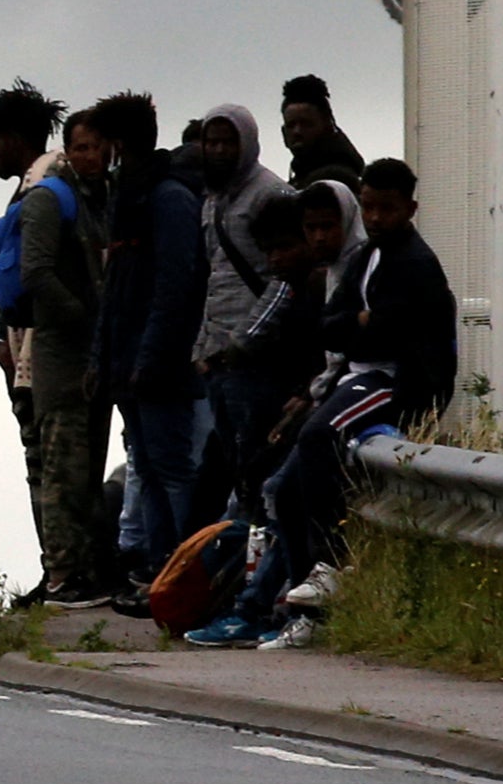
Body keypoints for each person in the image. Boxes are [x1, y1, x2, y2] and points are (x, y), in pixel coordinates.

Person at [192, 157, 456, 648]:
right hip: (357, 375)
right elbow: (332, 325)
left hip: (394, 382)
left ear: (410, 209)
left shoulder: (413, 263)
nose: (377, 218)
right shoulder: (362, 260)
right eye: (370, 207)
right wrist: (356, 323)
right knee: (284, 490)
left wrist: (361, 326)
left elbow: (385, 335)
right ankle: (301, 606)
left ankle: (331, 562)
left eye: (387, 209)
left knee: (319, 437)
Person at [0, 84, 109, 604]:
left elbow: (37, 275)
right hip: (32, 351)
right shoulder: (49, 187)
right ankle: (59, 572)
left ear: (16, 138)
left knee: (57, 467)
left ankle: (66, 574)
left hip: (49, 356)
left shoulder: (47, 190)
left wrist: (77, 323)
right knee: (50, 466)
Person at [85, 92, 201, 609]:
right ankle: (160, 577)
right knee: (149, 469)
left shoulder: (167, 198)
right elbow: (116, 287)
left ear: (119, 143)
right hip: (131, 364)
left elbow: (175, 289)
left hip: (159, 367)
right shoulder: (128, 196)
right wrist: (101, 360)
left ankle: (186, 577)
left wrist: (148, 360)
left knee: (171, 470)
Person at [189, 184, 343, 528]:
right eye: (268, 251)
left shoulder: (317, 289)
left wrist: (305, 393)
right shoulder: (296, 288)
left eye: (285, 247)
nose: (275, 259)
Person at [187, 101, 288, 476]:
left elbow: (286, 276)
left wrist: (246, 339)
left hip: (256, 357)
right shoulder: (212, 200)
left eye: (227, 143)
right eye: (210, 142)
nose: (217, 150)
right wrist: (203, 347)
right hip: (217, 357)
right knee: (231, 462)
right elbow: (214, 276)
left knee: (256, 459)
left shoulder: (271, 194)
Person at [277, 76, 366, 188]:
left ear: (327, 126)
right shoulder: (300, 177)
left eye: (306, 124)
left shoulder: (336, 180)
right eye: (291, 125)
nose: (297, 131)